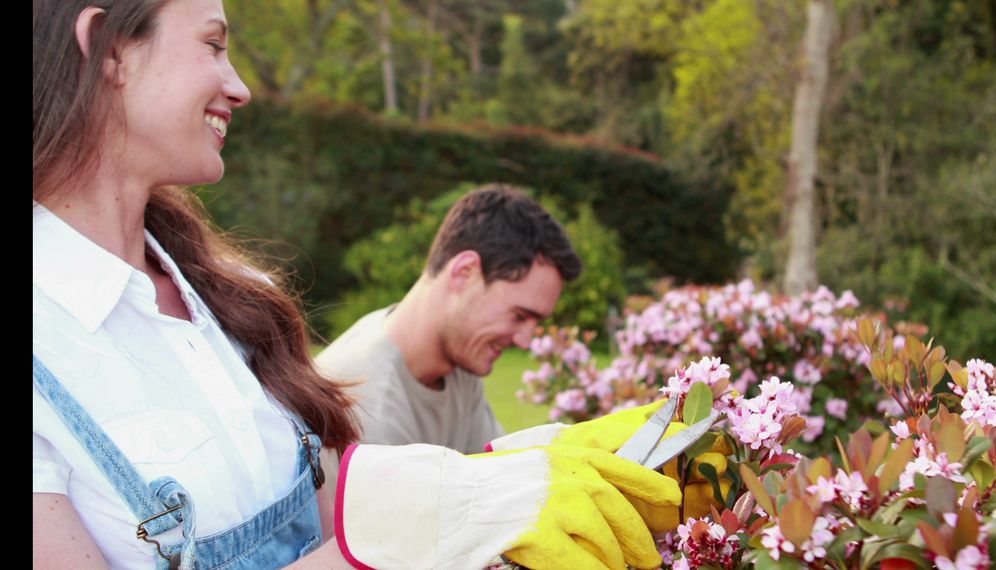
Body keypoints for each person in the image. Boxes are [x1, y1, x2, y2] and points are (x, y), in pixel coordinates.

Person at [32, 1, 679, 569]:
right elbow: (376, 533)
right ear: (112, 49)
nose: (240, 87)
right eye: (213, 44)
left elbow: (342, 499)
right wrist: (435, 527)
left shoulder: (233, 301)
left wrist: (540, 464)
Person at [316, 185, 580, 454]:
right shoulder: (368, 406)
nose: (526, 341)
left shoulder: (456, 361)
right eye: (519, 316)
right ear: (465, 273)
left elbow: (498, 469)